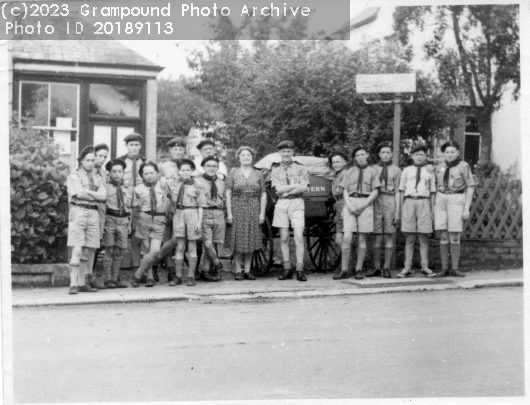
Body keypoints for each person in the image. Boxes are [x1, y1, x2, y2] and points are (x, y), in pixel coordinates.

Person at [66, 146, 107, 294]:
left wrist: (88, 191)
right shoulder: (74, 176)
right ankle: (73, 284)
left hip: (93, 214)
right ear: (81, 160)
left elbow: (103, 196)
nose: (90, 163)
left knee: (89, 249)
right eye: (87, 160)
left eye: (92, 160)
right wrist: (94, 195)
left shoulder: (97, 177)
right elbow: (78, 195)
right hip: (79, 211)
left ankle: (82, 282)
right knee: (77, 248)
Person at [336, 145, 380, 280]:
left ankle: (358, 269)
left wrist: (364, 205)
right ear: (354, 158)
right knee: (347, 237)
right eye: (357, 155)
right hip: (350, 203)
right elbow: (344, 190)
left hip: (365, 204)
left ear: (367, 155)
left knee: (362, 238)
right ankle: (344, 270)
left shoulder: (372, 171)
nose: (360, 157)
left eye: (362, 154)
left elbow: (376, 191)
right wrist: (348, 205)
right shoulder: (349, 172)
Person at [434, 141, 476, 278]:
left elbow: (470, 186)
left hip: (456, 199)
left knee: (455, 236)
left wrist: (466, 208)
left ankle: (455, 268)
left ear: (457, 152)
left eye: (452, 152)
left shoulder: (463, 166)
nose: (449, 154)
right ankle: (444, 268)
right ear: (443, 154)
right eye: (447, 152)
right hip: (441, 200)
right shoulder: (440, 167)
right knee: (444, 235)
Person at [225, 146, 267, 280]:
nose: (246, 157)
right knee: (237, 240)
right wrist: (229, 213)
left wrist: (262, 214)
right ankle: (238, 270)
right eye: (243, 155)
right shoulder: (233, 172)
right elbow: (228, 193)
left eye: (248, 155)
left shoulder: (258, 174)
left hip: (253, 209)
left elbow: (263, 194)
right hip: (237, 208)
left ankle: (248, 270)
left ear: (252, 157)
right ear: (239, 157)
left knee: (250, 240)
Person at [271, 140, 309, 282]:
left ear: (292, 152)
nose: (286, 154)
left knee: (299, 237)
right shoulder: (275, 169)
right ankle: (287, 269)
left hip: (297, 203)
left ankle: (299, 269)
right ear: (279, 153)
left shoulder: (300, 168)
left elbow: (304, 187)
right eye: (283, 151)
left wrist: (287, 192)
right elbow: (278, 189)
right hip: (282, 204)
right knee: (284, 237)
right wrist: (294, 185)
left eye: (288, 151)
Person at [397, 144, 437, 278]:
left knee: (424, 237)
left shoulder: (429, 171)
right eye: (416, 154)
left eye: (422, 155)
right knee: (409, 237)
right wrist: (401, 209)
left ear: (426, 157)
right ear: (412, 156)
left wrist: (432, 210)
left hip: (424, 202)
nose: (419, 157)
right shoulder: (406, 170)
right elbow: (401, 190)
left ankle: (425, 267)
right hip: (409, 202)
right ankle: (407, 267)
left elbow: (432, 192)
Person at [130, 161, 171, 288]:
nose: (149, 176)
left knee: (155, 250)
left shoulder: (164, 186)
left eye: (151, 173)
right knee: (146, 248)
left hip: (159, 220)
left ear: (157, 173)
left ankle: (138, 274)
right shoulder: (138, 189)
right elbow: (134, 207)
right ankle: (150, 277)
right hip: (144, 219)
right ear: (141, 175)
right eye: (145, 173)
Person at [366, 141, 402, 278]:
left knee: (389, 235)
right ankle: (376, 267)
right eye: (383, 152)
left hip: (390, 200)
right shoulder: (373, 169)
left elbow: (398, 190)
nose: (385, 155)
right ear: (379, 154)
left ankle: (386, 267)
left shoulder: (397, 170)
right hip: (376, 200)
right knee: (377, 236)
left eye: (388, 152)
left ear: (391, 154)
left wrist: (398, 211)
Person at [169, 159, 207, 286]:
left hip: (192, 214)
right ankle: (178, 276)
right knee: (180, 247)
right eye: (183, 170)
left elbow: (201, 205)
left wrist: (199, 222)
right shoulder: (175, 183)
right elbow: (172, 198)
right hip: (179, 214)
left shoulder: (197, 185)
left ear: (192, 171)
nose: (185, 172)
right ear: (179, 171)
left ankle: (191, 276)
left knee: (192, 246)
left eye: (188, 170)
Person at [157, 136, 188, 283]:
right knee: (166, 237)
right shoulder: (163, 167)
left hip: (183, 209)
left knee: (177, 238)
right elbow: (157, 186)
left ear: (184, 151)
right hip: (167, 207)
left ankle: (156, 259)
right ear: (170, 150)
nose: (178, 152)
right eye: (175, 149)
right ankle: (170, 268)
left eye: (180, 149)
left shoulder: (189, 165)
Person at [117, 133, 146, 280]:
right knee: (121, 235)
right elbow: (114, 180)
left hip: (140, 205)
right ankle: (117, 271)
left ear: (140, 146)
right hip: (125, 204)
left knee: (138, 236)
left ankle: (137, 268)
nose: (134, 148)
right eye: (131, 145)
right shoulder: (120, 162)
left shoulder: (146, 162)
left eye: (136, 145)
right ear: (127, 146)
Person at [100, 159, 132, 288]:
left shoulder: (129, 189)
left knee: (119, 251)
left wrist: (129, 224)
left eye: (120, 171)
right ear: (109, 173)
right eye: (114, 171)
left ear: (123, 173)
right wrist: (102, 225)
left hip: (123, 221)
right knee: (109, 249)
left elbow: (131, 207)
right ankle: (108, 279)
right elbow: (102, 207)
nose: (117, 174)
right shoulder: (105, 188)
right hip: (110, 219)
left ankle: (115, 278)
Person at [198, 156, 226, 281]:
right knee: (208, 244)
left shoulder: (221, 183)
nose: (211, 168)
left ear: (218, 168)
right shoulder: (197, 181)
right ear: (203, 167)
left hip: (219, 214)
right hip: (205, 213)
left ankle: (205, 270)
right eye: (208, 166)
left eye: (214, 166)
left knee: (214, 243)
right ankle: (218, 264)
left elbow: (225, 199)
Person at [88, 143, 109, 288]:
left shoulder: (103, 172)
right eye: (100, 156)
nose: (102, 159)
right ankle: (87, 277)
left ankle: (92, 275)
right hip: (90, 209)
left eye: (105, 157)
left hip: (101, 211)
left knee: (96, 244)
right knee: (89, 246)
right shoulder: (87, 171)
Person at [328, 151, 349, 277]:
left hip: (344, 205)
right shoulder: (337, 175)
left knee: (342, 239)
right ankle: (348, 265)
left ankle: (348, 266)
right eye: (334, 162)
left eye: (338, 162)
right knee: (339, 238)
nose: (335, 164)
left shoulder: (346, 174)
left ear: (344, 162)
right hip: (339, 207)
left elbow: (344, 191)